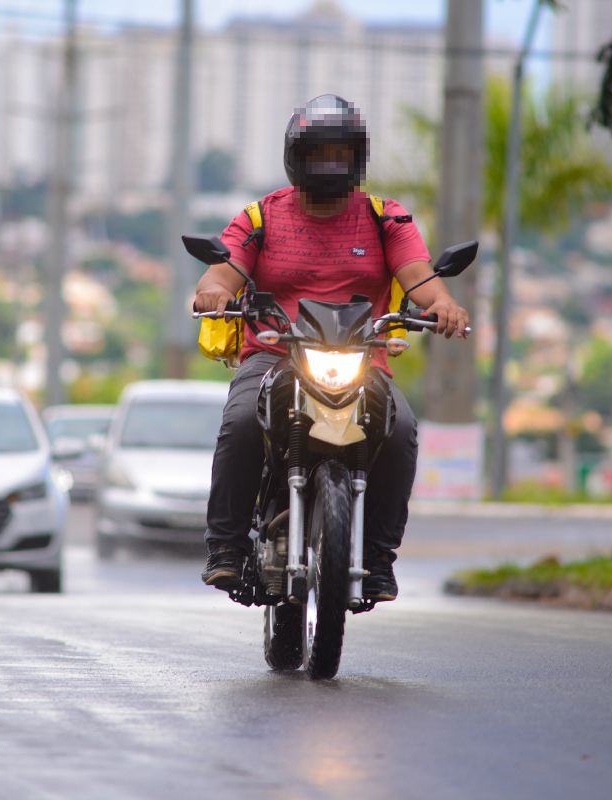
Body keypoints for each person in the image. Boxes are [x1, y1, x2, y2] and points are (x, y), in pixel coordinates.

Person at [193, 95, 471, 601]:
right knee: (238, 423)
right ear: (296, 156)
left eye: (340, 154)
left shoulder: (387, 217)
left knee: (402, 429)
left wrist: (443, 303)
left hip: (362, 358)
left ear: (357, 159)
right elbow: (222, 272)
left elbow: (419, 278)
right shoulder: (260, 216)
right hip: (275, 354)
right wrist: (214, 292)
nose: (329, 164)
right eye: (319, 153)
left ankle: (380, 560)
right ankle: (226, 548)